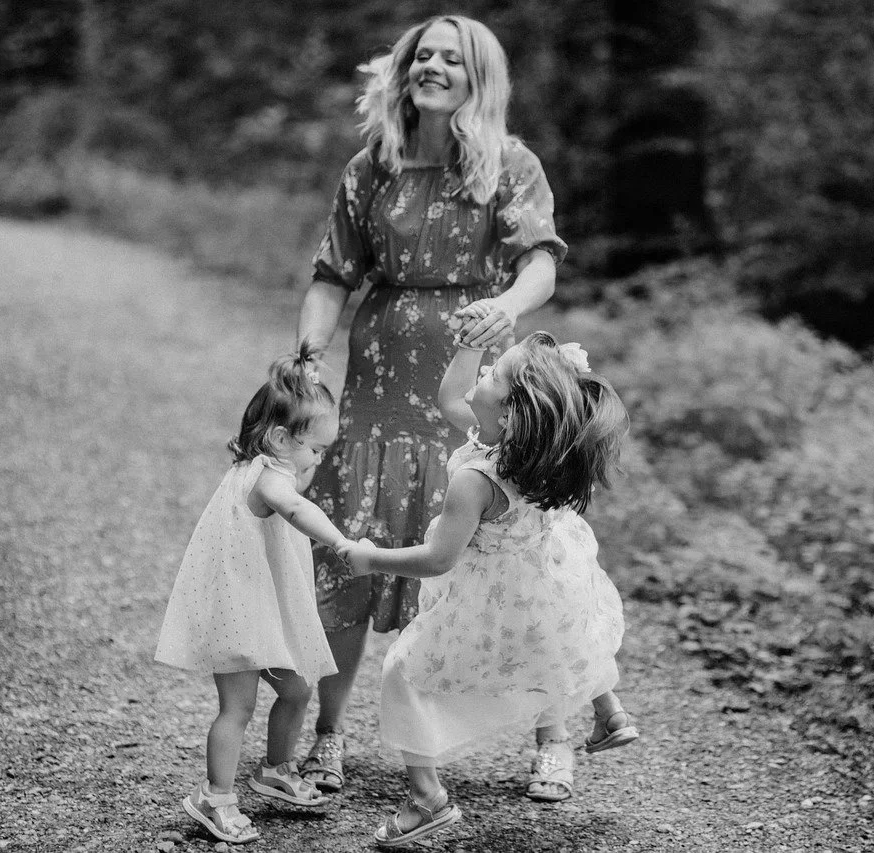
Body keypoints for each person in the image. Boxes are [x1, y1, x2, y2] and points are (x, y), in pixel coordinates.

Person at [294, 13, 572, 800]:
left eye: (453, 58)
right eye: (424, 55)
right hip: (377, 384)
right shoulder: (371, 166)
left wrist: (509, 308)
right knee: (348, 554)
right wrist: (310, 347)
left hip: (470, 382)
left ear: (478, 78)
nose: (434, 66)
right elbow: (330, 273)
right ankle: (327, 736)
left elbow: (540, 264)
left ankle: (555, 739)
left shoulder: (510, 165)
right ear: (403, 70)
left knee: (511, 561)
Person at [343, 331, 640, 847]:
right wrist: (468, 346)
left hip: (492, 595)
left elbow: (439, 558)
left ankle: (426, 799)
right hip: (540, 579)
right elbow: (449, 398)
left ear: (507, 414)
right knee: (558, 641)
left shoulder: (476, 478)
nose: (482, 374)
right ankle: (608, 711)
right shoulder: (535, 451)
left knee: (404, 672)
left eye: (493, 373)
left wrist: (372, 558)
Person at [155, 343, 353, 845]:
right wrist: (341, 541)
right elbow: (297, 511)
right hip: (238, 611)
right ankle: (215, 795)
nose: (320, 460)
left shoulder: (267, 464)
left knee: (296, 688)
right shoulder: (269, 479)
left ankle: (275, 768)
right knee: (237, 708)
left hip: (261, 604)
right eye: (316, 450)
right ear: (282, 437)